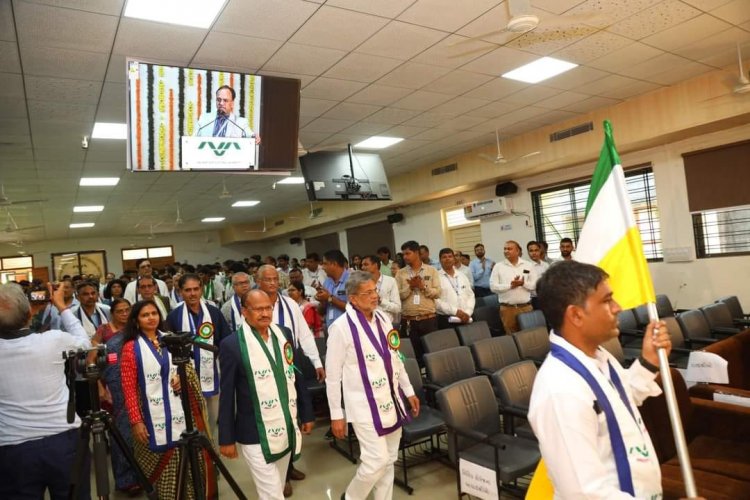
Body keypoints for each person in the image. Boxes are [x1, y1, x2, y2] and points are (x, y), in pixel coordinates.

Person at [528, 261, 671, 498]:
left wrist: (648, 362)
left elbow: (620, 403)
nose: (618, 307)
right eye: (606, 301)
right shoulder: (561, 390)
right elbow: (585, 493)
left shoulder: (598, 356)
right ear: (576, 314)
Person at [326, 271, 420, 500]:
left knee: (389, 460)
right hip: (363, 406)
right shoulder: (340, 328)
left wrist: (408, 391)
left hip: (391, 398)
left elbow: (396, 357)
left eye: (375, 290)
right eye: (367, 293)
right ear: (353, 298)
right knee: (374, 462)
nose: (374, 296)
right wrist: (336, 414)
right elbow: (332, 375)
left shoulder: (383, 319)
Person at [218, 290, 314, 500]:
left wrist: (306, 414)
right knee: (272, 495)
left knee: (276, 488)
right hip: (254, 432)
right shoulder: (232, 345)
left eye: (267, 307)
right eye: (258, 309)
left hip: (286, 423)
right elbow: (227, 396)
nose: (264, 313)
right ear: (244, 312)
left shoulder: (284, 334)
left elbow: (296, 376)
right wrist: (226, 438)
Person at [0, 282, 91, 499]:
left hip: (13, 449)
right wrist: (61, 305)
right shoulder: (53, 341)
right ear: (29, 314)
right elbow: (85, 343)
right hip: (64, 443)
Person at [121, 300, 215, 499]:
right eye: (145, 315)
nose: (151, 317)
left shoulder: (172, 340)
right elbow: (128, 389)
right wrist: (136, 422)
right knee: (164, 475)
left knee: (191, 462)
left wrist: (183, 378)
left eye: (154, 313)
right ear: (136, 320)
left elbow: (189, 370)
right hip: (150, 418)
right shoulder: (131, 348)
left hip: (182, 414)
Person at [166, 273, 231, 443]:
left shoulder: (213, 312)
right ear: (180, 292)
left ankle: (210, 452)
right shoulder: (174, 316)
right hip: (186, 375)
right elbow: (169, 347)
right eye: (188, 290)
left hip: (213, 372)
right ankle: (198, 454)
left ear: (201, 289)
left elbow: (226, 341)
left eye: (196, 289)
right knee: (193, 418)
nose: (192, 293)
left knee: (212, 417)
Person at [92, 298, 141, 495]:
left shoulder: (136, 329)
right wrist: (100, 388)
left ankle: (142, 475)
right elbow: (91, 362)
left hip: (137, 385)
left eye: (127, 310)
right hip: (114, 389)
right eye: (119, 311)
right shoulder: (104, 331)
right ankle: (125, 480)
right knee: (121, 435)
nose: (124, 314)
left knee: (140, 433)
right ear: (112, 313)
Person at [395, 240, 440, 361]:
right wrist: (410, 287)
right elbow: (398, 296)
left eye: (408, 253)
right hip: (409, 321)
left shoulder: (431, 270)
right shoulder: (400, 273)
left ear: (416, 253)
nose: (404, 257)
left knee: (432, 353)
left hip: (429, 319)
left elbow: (437, 293)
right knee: (413, 355)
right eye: (403, 254)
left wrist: (422, 287)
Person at [489, 240, 535, 334]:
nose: (506, 251)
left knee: (529, 335)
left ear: (518, 251)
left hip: (526, 307)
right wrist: (510, 286)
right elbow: (493, 287)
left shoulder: (528, 265)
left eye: (509, 249)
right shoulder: (498, 266)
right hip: (508, 309)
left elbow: (534, 285)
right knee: (512, 337)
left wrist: (523, 284)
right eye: (505, 249)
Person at [196, 85, 261, 141]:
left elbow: (249, 135)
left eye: (225, 100)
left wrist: (254, 137)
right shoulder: (204, 119)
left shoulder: (241, 123)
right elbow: (192, 138)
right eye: (218, 100)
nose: (221, 103)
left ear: (232, 103)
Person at [435, 248, 475, 329]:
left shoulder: (462, 275)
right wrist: (455, 311)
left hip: (466, 317)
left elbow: (470, 295)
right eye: (444, 257)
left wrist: (468, 312)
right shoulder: (436, 277)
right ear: (440, 260)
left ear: (454, 259)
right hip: (447, 319)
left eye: (450, 256)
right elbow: (435, 300)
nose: (447, 259)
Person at [360, 255, 400, 329]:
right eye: (362, 265)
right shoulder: (361, 283)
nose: (362, 268)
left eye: (366, 264)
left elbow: (397, 308)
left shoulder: (390, 281)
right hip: (368, 326)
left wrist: (380, 301)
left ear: (375, 265)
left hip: (387, 325)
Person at [316, 249, 350, 332]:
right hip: (331, 330)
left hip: (348, 331)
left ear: (334, 264)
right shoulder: (327, 282)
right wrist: (322, 300)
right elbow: (321, 312)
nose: (323, 268)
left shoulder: (352, 280)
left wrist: (330, 298)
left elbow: (354, 309)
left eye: (325, 264)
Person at [526, 241, 550, 310]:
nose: (534, 253)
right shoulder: (526, 267)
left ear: (540, 251)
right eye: (531, 251)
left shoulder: (546, 265)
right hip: (533, 299)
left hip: (546, 297)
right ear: (528, 252)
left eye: (536, 250)